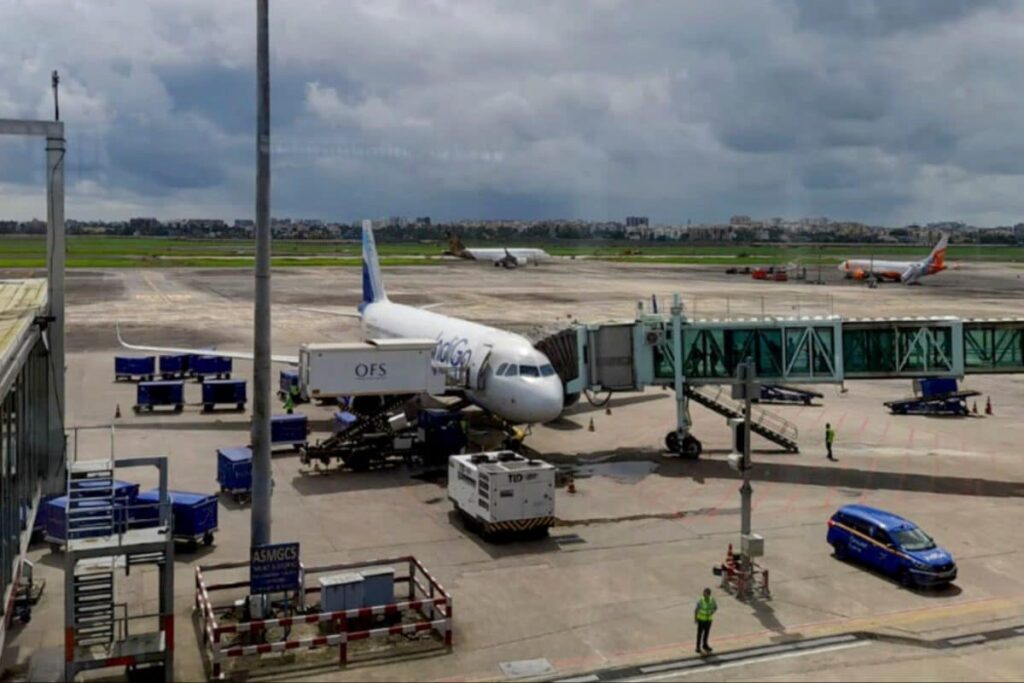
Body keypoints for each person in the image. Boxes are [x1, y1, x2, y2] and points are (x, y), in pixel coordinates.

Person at [694, 587, 717, 655]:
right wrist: (695, 618)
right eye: (703, 593)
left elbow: (715, 607)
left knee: (706, 634)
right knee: (699, 634)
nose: (704, 594)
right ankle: (698, 647)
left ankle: (705, 645)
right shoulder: (701, 600)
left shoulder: (712, 600)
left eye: (705, 593)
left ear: (709, 594)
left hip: (708, 620)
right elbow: (696, 610)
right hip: (701, 620)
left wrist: (712, 612)